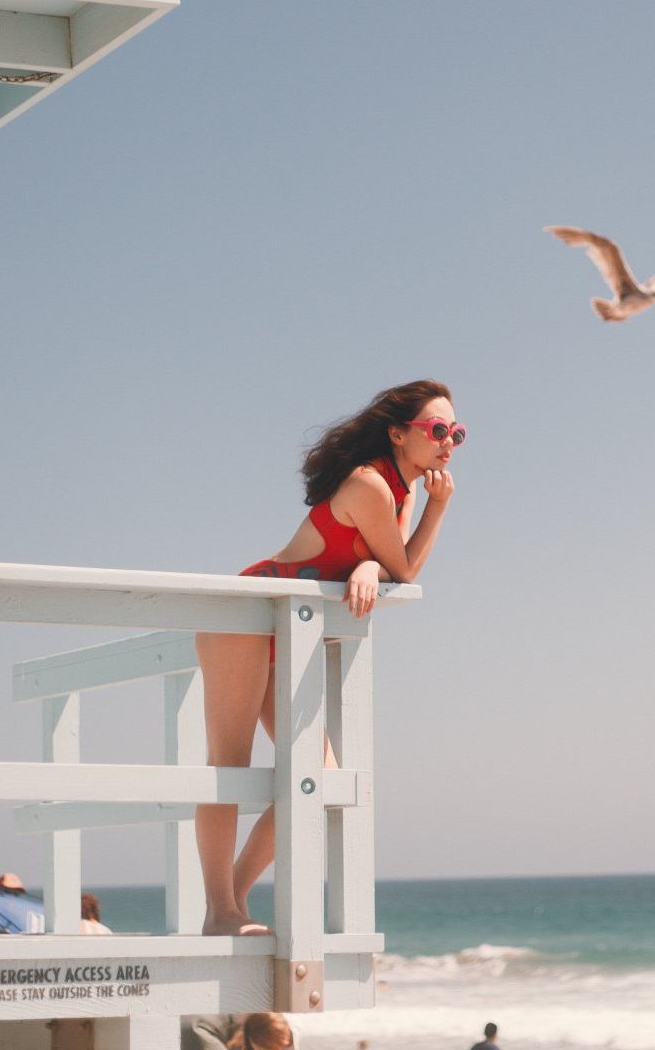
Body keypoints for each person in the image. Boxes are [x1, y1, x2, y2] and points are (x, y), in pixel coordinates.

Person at [196, 380, 461, 936]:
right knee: (229, 765)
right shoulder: (370, 483)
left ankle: (233, 902)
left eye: (456, 433)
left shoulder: (402, 491)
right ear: (398, 433)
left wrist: (372, 566)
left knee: (320, 776)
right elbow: (405, 568)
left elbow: (392, 565)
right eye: (438, 430)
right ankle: (221, 911)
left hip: (291, 629)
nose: (448, 443)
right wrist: (432, 515)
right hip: (249, 615)